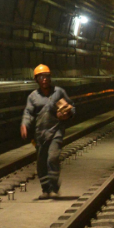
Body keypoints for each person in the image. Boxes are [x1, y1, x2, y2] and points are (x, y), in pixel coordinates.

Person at [20, 64, 75, 199]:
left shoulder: (58, 93)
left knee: (53, 158)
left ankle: (54, 187)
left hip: (56, 131)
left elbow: (72, 108)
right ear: (37, 80)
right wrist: (24, 124)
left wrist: (67, 115)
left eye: (46, 77)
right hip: (40, 134)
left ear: (50, 78)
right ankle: (46, 189)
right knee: (41, 162)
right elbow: (28, 113)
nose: (44, 79)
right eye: (41, 77)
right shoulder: (33, 97)